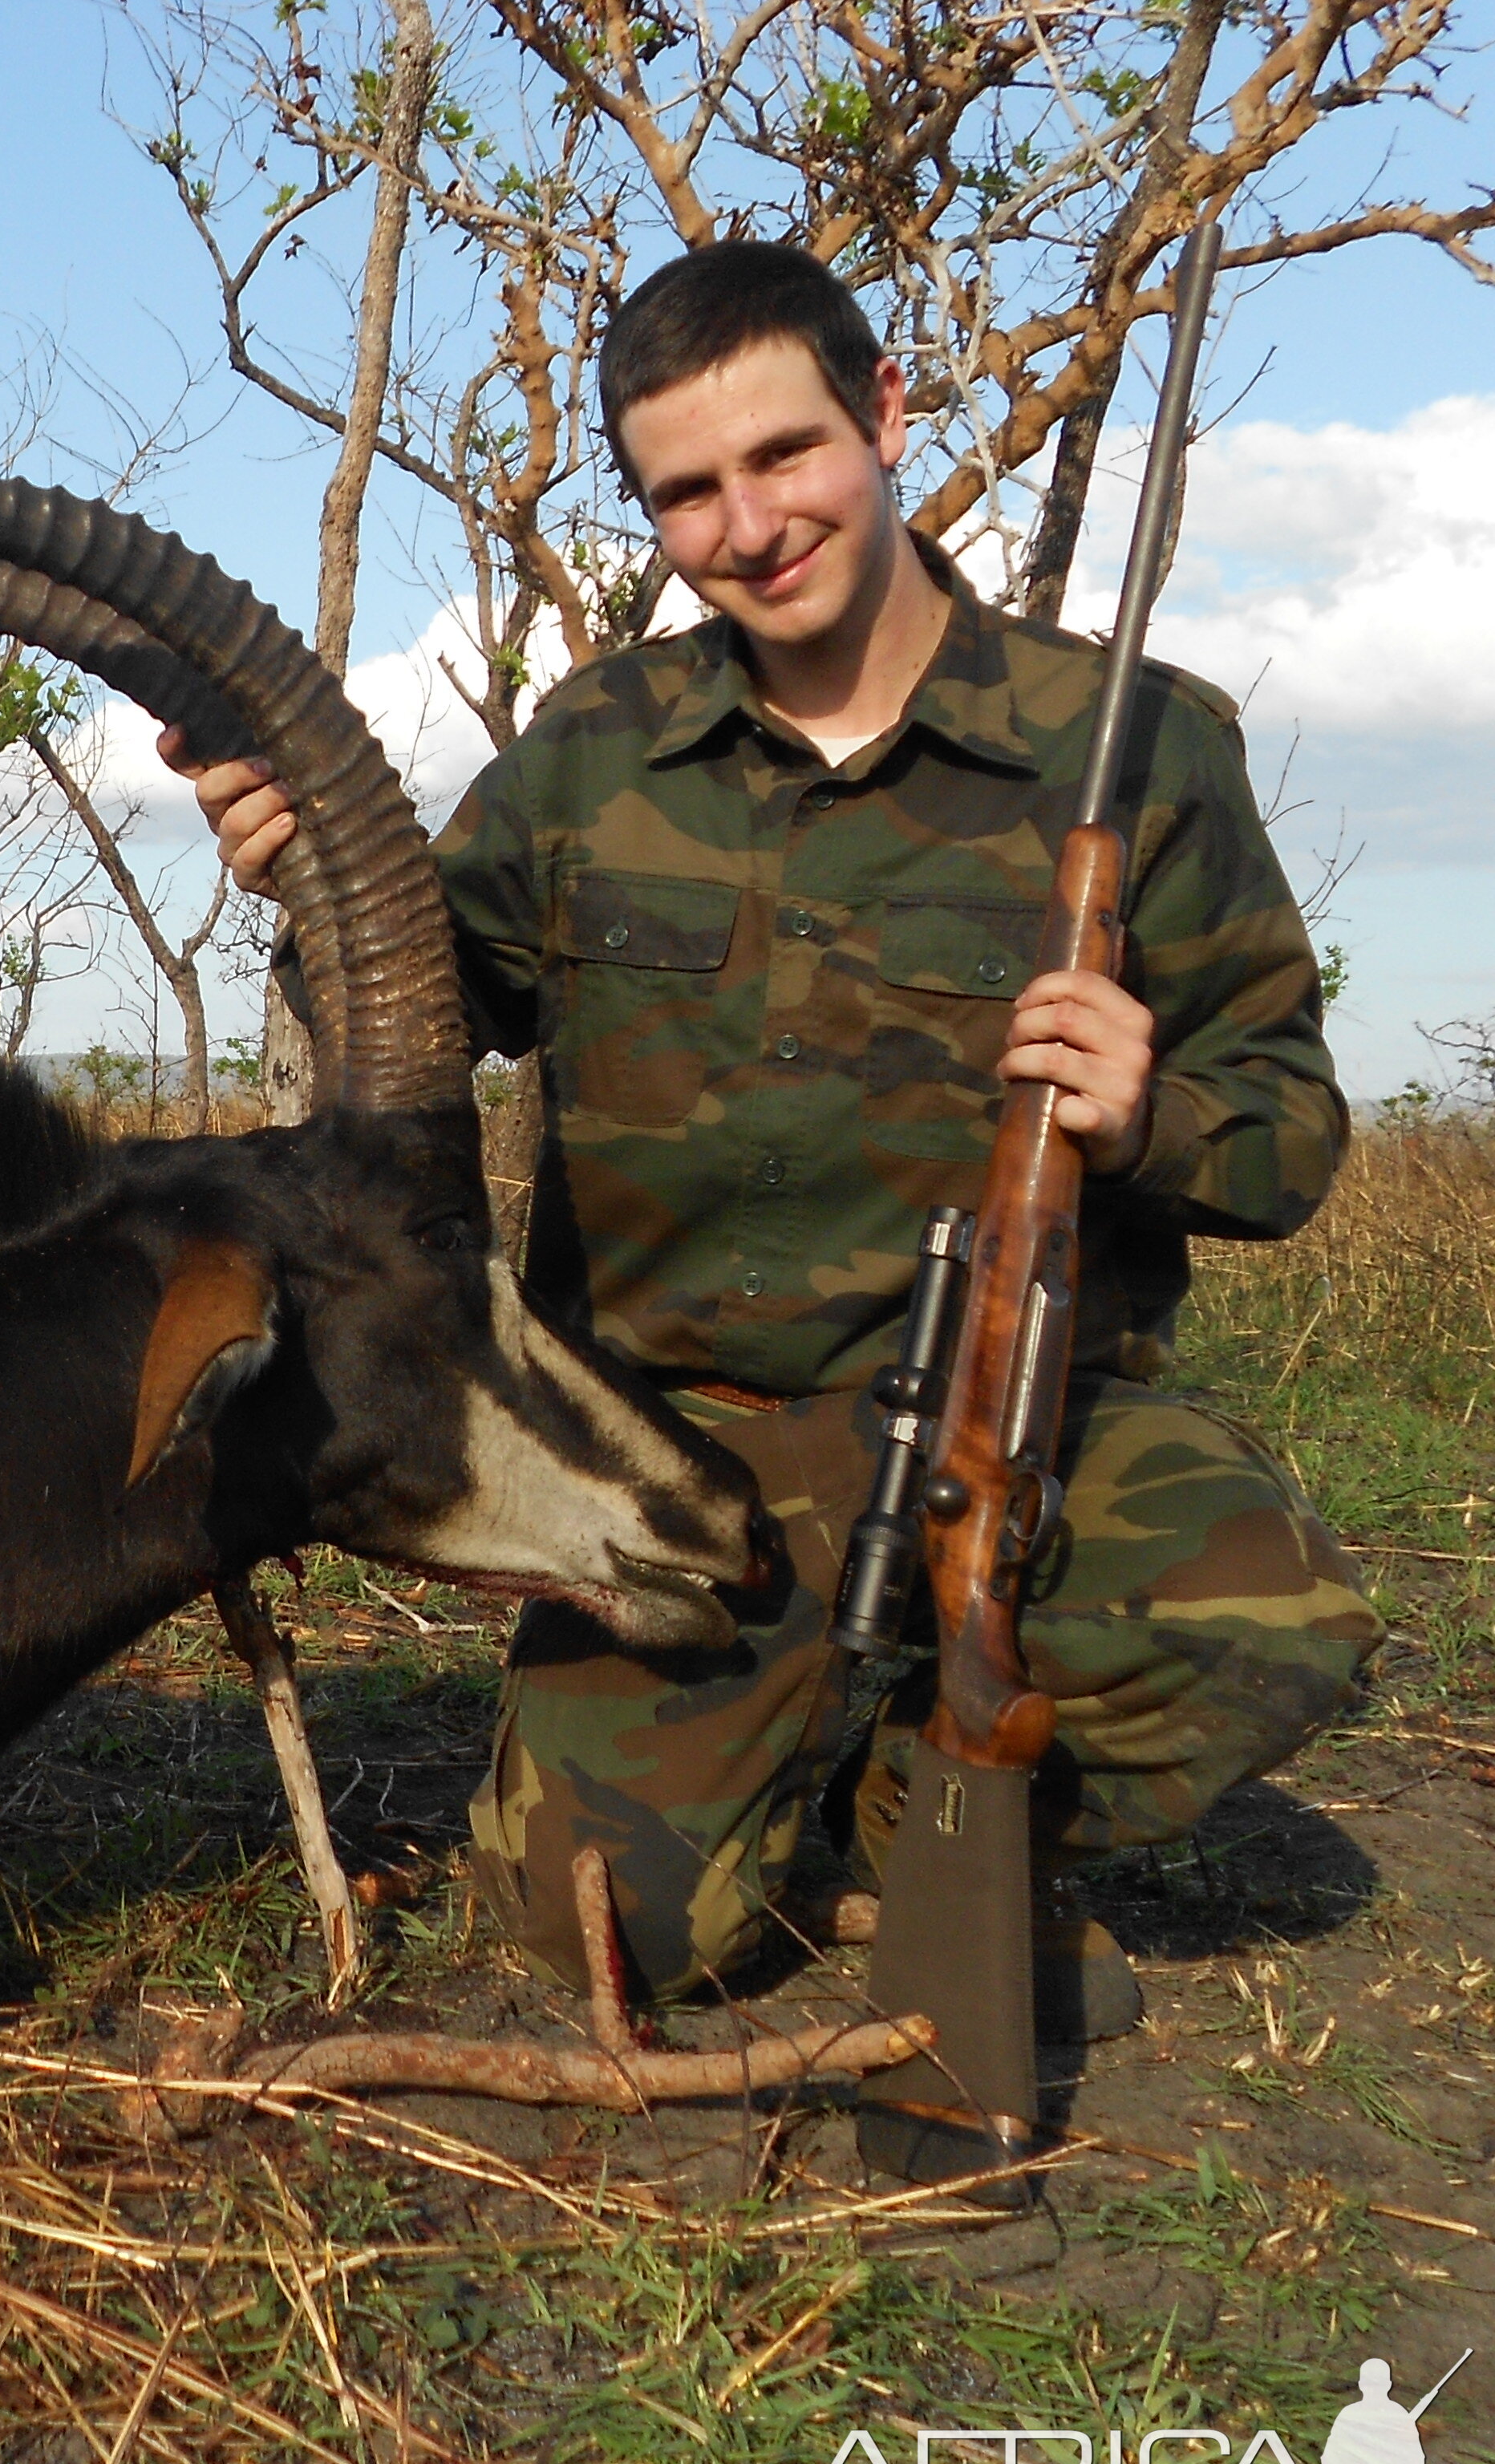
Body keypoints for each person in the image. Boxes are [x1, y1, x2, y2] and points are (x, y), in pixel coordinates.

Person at [168, 241, 1380, 2030]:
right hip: (668, 1460)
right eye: (687, 490)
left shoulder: (1137, 750)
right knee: (613, 1935)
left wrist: (1148, 1113)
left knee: (1272, 1611)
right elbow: (429, 1020)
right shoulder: (594, 748)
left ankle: (921, 1815)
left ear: (885, 415)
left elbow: (1289, 1143)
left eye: (785, 455)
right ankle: (757, 1785)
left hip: (1005, 1442)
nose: (748, 523)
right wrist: (316, 886)